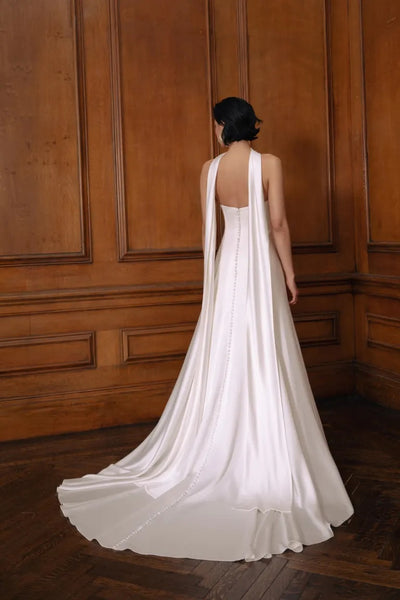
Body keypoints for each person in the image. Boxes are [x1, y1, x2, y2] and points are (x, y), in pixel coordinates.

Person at [56, 97, 354, 562]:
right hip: (259, 269)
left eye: (215, 124)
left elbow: (206, 231)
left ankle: (213, 446)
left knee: (224, 352)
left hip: (230, 262)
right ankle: (266, 451)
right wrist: (291, 274)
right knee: (264, 352)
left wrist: (211, 287)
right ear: (248, 125)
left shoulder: (209, 170)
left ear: (221, 126)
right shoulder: (269, 163)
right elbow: (276, 223)